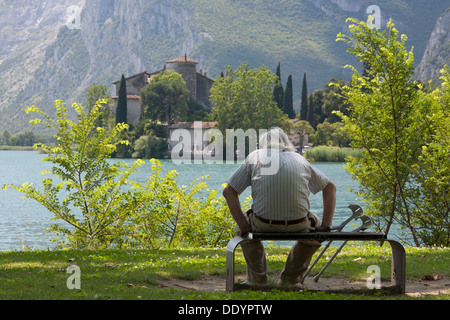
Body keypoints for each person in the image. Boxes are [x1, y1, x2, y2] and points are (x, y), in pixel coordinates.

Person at [223, 127, 336, 288]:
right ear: (286, 142)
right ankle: (290, 279)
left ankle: (257, 279)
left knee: (243, 229)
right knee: (315, 227)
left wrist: (243, 225)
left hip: (262, 224)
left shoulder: (255, 157)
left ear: (263, 144)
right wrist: (325, 225)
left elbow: (229, 192)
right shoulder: (299, 159)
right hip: (298, 225)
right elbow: (330, 188)